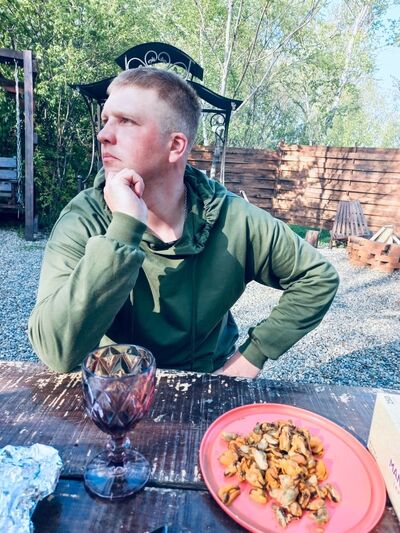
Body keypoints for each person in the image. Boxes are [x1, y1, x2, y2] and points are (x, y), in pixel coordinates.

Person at [28, 67, 339, 377]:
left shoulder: (232, 219)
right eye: (106, 120)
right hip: (116, 384)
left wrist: (252, 356)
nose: (104, 135)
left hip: (207, 382)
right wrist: (124, 227)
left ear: (175, 145)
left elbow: (318, 277)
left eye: (126, 121)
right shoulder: (85, 217)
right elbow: (56, 352)